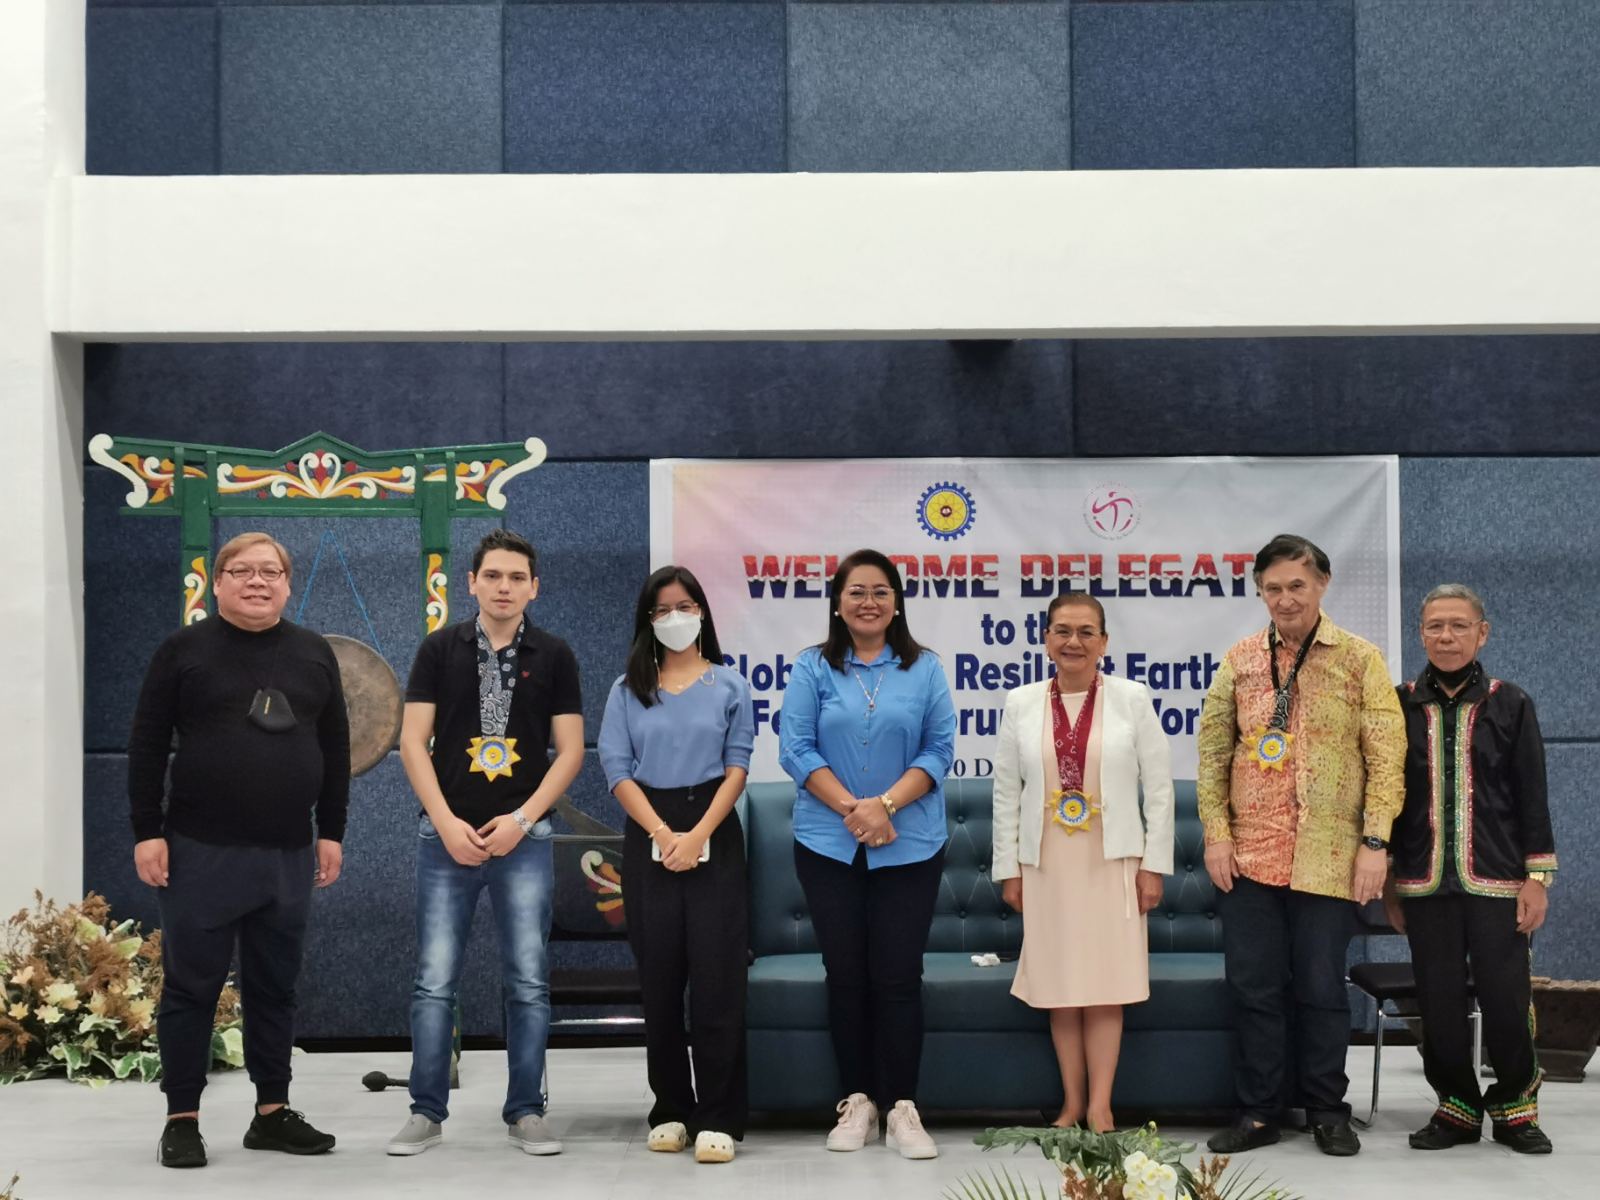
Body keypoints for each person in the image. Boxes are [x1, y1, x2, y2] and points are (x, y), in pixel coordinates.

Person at [128, 532, 349, 1169]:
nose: (257, 581)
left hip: (288, 853)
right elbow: (147, 743)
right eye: (242, 570)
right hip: (200, 851)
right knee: (191, 989)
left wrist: (331, 830)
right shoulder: (183, 650)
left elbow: (335, 747)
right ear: (217, 582)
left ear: (287, 583)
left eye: (270, 571)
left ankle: (272, 1113)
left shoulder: (313, 653)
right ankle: (182, 1119)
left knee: (275, 988)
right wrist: (147, 830)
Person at [1197, 534, 1404, 1158]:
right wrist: (1217, 836)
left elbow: (1386, 759)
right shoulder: (1239, 660)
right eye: (1273, 588)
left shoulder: (1360, 659)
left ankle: (1326, 1111)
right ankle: (1259, 1113)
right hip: (1249, 858)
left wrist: (1375, 843)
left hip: (1330, 856)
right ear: (1260, 592)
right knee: (1254, 989)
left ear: (1322, 584)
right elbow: (1212, 755)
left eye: (1296, 585)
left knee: (1320, 988)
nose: (1285, 599)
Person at [387, 529, 583, 1158]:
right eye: (492, 576)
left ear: (534, 587)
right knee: (434, 981)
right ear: (470, 582)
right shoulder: (439, 649)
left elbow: (570, 751)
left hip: (524, 838)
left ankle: (526, 1110)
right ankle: (425, 1110)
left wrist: (522, 819)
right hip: (444, 838)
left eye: (517, 577)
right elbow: (412, 742)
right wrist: (445, 822)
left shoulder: (555, 654)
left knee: (527, 980)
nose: (504, 587)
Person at [777, 548, 956, 1161]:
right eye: (856, 591)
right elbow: (796, 748)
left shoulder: (925, 668)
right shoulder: (813, 667)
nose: (869, 602)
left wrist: (885, 806)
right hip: (827, 845)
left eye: (881, 591)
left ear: (897, 603)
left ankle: (903, 1106)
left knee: (899, 977)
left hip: (910, 845)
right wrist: (855, 810)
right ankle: (858, 1102)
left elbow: (939, 751)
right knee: (846, 976)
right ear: (837, 602)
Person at [992, 594, 1175, 1133]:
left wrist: (1152, 865)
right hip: (1047, 864)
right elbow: (1006, 792)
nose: (1074, 642)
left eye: (1086, 632)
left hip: (1113, 861)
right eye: (1062, 631)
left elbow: (1159, 788)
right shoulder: (1021, 702)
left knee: (1104, 985)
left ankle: (1101, 1106)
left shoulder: (1131, 699)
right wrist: (1009, 868)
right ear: (1046, 639)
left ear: (1104, 642)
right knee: (1060, 987)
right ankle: (1071, 1104)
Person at [1384, 584, 1557, 1155]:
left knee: (1506, 1000)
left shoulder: (1512, 703)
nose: (1446, 636)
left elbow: (1533, 795)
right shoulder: (1400, 704)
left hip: (1499, 880)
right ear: (1421, 634)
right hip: (1424, 880)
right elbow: (1388, 797)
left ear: (1482, 633)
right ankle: (1455, 1108)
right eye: (1435, 626)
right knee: (1438, 1002)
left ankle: (1515, 1110)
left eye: (1459, 625)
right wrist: (1390, 879)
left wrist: (1537, 878)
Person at [596, 566, 755, 1165]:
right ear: (648, 619)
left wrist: (699, 834)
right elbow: (617, 770)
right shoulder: (627, 689)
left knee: (717, 980)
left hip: (714, 824)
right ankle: (669, 1108)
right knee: (660, 981)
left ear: (703, 613)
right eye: (662, 610)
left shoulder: (730, 684)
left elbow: (737, 767)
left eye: (685, 606)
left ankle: (719, 1115)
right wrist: (664, 835)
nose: (675, 618)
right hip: (649, 830)